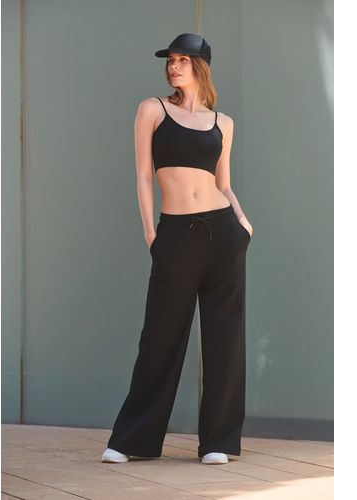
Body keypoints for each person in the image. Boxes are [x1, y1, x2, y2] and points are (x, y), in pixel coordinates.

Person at [102, 33, 253, 465]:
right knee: (159, 338)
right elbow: (143, 176)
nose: (173, 66)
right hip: (175, 234)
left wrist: (243, 223)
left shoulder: (223, 123)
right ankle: (132, 441)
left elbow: (223, 183)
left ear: (200, 66)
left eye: (183, 60)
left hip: (223, 233)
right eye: (170, 59)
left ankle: (219, 442)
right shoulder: (152, 110)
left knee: (225, 340)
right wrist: (151, 234)